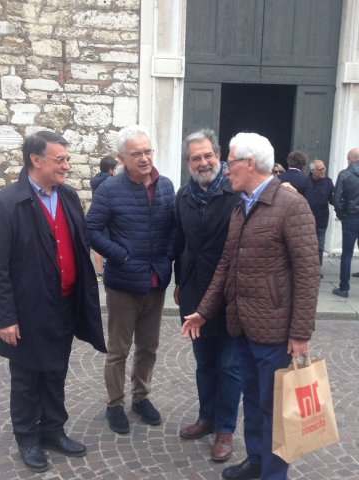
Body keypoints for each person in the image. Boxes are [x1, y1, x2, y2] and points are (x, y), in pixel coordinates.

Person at [182, 132, 320, 480]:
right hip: (242, 325)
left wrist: (301, 333)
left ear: (249, 163)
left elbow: (308, 273)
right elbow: (226, 266)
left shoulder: (291, 205)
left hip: (275, 332)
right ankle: (257, 461)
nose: (225, 169)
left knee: (276, 409)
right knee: (255, 401)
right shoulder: (241, 205)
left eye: (229, 161)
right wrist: (204, 310)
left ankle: (274, 474)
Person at [0, 131, 107, 473]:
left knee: (56, 371)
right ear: (36, 159)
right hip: (28, 309)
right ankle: (27, 437)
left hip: (64, 304)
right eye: (60, 159)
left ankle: (53, 430)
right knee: (28, 376)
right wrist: (5, 318)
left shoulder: (70, 197)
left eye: (66, 159)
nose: (67, 165)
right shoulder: (8, 203)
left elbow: (78, 243)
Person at [86, 125, 176, 434]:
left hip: (156, 280)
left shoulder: (165, 185)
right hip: (123, 283)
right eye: (137, 153)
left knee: (149, 347)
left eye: (148, 151)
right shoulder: (110, 190)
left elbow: (173, 226)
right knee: (119, 349)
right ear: (122, 158)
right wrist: (119, 255)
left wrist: (169, 256)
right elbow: (92, 230)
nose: (145, 158)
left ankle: (141, 398)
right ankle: (115, 404)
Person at [174, 129, 241, 462]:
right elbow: (180, 244)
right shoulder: (183, 196)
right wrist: (179, 281)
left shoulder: (238, 194)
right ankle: (207, 417)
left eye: (207, 155)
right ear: (188, 162)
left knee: (229, 365)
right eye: (195, 157)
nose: (202, 162)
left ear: (219, 156)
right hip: (194, 295)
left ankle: (225, 429)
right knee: (204, 364)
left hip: (230, 296)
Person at [332, 148, 359, 298]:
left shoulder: (345, 174)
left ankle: (344, 288)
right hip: (352, 215)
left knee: (347, 254)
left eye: (348, 159)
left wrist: (342, 215)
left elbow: (337, 199)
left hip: (351, 217)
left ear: (352, 159)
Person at [90, 155, 118, 280]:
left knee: (98, 242)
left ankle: (99, 272)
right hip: (109, 215)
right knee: (111, 240)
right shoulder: (112, 182)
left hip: (96, 212)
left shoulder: (94, 180)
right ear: (111, 169)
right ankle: (110, 267)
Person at [309, 159, 334, 268]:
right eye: (320, 169)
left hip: (321, 219)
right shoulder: (305, 181)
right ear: (313, 171)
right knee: (307, 246)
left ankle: (317, 269)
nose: (324, 170)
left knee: (320, 246)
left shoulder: (328, 182)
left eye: (324, 168)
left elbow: (333, 200)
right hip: (307, 220)